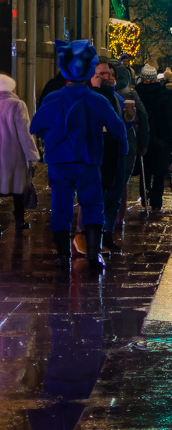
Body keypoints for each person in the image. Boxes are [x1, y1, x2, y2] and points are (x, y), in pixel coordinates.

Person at [30, 40, 127, 266]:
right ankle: (93, 253)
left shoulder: (53, 98)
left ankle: (63, 256)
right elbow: (118, 129)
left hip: (59, 161)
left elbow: (36, 126)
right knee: (92, 204)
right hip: (88, 158)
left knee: (61, 205)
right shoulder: (98, 99)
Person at [89, 59, 127, 249]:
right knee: (100, 195)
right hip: (99, 152)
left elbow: (121, 127)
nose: (107, 77)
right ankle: (94, 238)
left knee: (115, 194)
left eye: (109, 74)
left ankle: (106, 233)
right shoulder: (94, 97)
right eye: (101, 74)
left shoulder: (115, 97)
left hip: (117, 149)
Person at [0, 74, 37, 233]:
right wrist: (32, 156)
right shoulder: (17, 105)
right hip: (14, 155)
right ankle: (19, 220)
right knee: (18, 188)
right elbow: (25, 133)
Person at [113, 64, 148, 226]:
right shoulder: (130, 93)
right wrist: (143, 142)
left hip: (114, 140)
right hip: (127, 139)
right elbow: (143, 116)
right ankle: (118, 216)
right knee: (123, 179)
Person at [135, 65, 172, 214]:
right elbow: (170, 118)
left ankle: (145, 196)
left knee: (146, 170)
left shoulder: (137, 93)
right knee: (159, 172)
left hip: (144, 137)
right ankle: (157, 201)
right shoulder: (163, 93)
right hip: (161, 139)